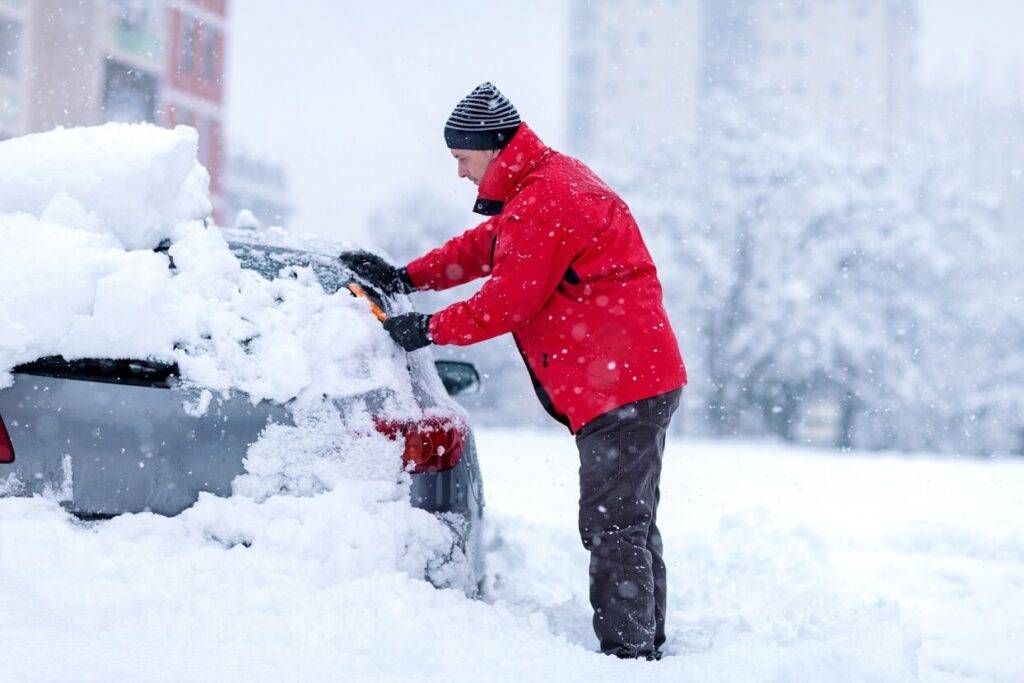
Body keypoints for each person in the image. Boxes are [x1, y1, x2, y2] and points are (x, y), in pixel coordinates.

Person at [340, 82, 686, 660]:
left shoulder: (549, 196)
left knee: (614, 523)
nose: (459, 172)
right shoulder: (541, 187)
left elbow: (508, 302)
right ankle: (644, 642)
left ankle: (630, 655)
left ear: (492, 147)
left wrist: (426, 329)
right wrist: (407, 278)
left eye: (462, 158)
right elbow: (488, 248)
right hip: (630, 378)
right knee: (628, 518)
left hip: (621, 384)